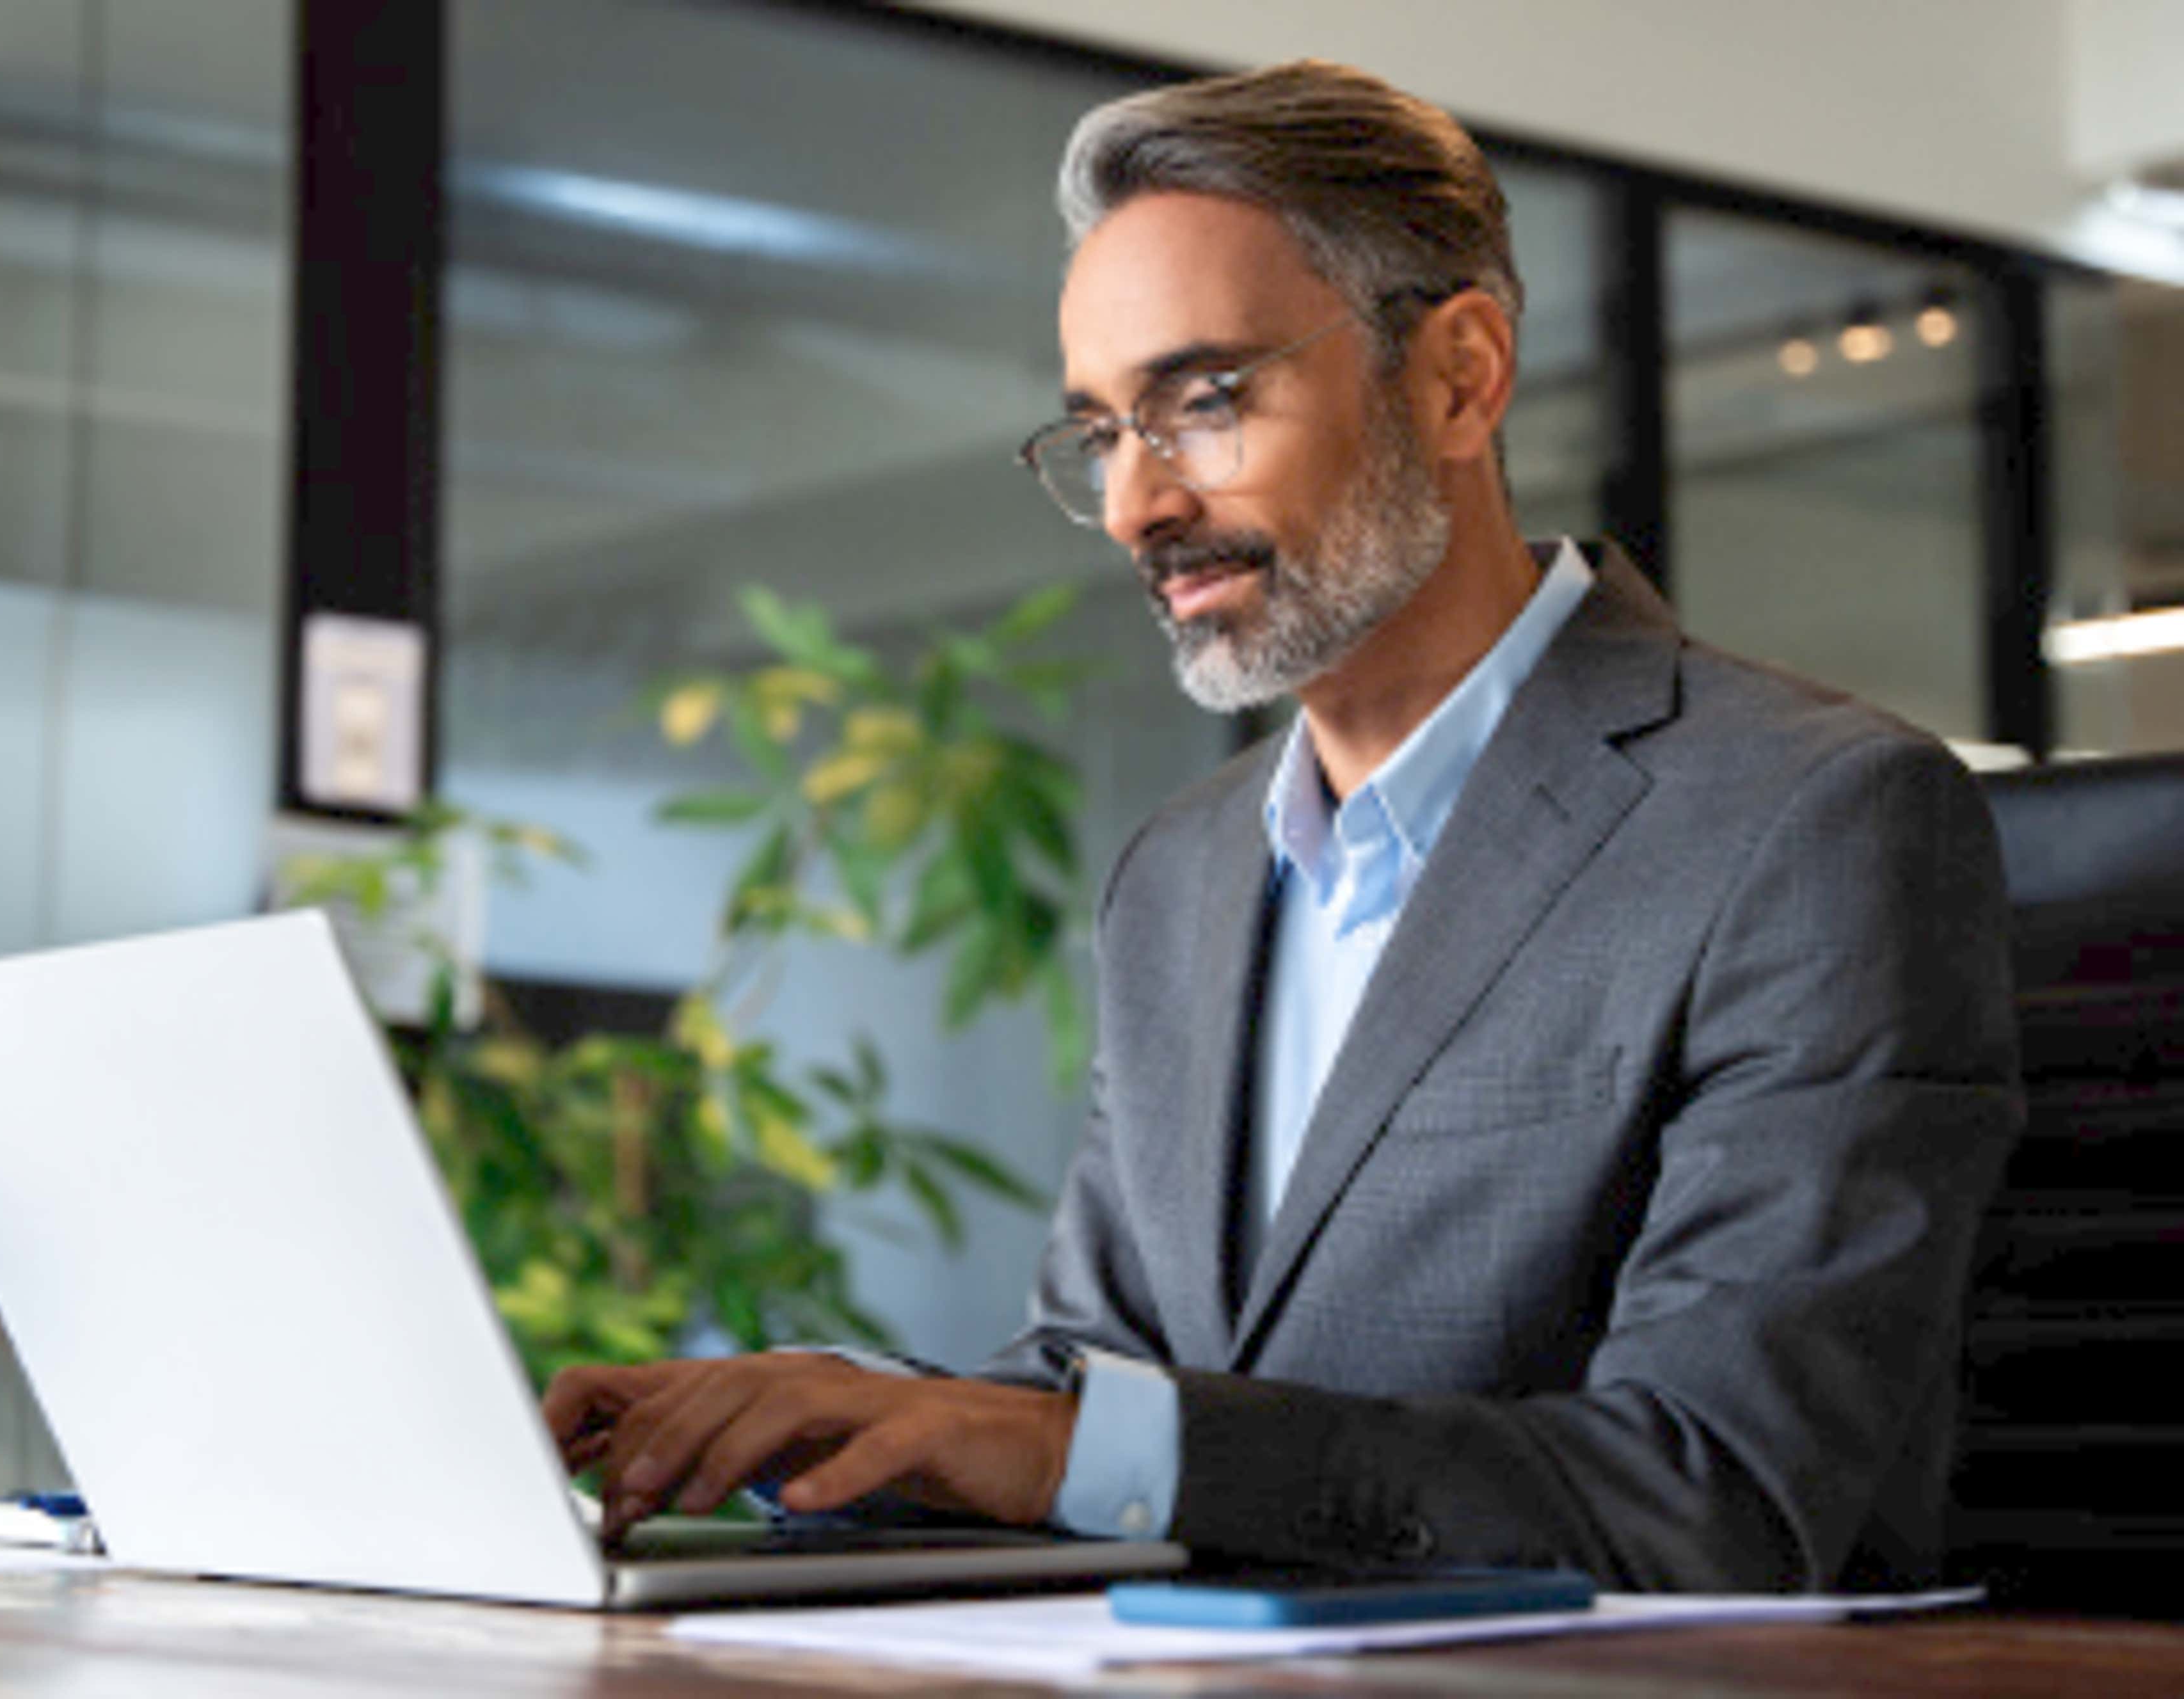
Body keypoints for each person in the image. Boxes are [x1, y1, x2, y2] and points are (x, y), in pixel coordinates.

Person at [545, 60, 2020, 1591]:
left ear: (1459, 377)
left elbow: (1713, 1492)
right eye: (1103, 432)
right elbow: (1101, 1379)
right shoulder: (1180, 873)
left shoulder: (1815, 821)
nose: (1136, 503)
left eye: (1205, 401)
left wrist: (1056, 1444)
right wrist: (828, 1425)